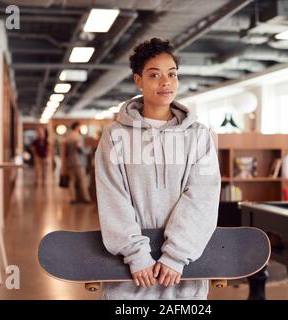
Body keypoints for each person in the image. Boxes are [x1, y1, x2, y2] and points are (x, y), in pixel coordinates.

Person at [94, 38, 221, 300]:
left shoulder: (199, 136)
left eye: (172, 74)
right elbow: (112, 198)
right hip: (131, 273)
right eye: (154, 75)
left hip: (184, 270)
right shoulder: (115, 135)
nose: (166, 82)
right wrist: (136, 254)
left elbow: (203, 197)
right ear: (138, 80)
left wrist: (176, 254)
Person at [63, 121, 91, 203]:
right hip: (79, 162)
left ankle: (72, 198)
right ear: (77, 127)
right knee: (82, 180)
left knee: (72, 180)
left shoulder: (68, 136)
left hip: (70, 162)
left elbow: (66, 151)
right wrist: (87, 151)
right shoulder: (78, 137)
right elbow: (80, 149)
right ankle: (86, 198)